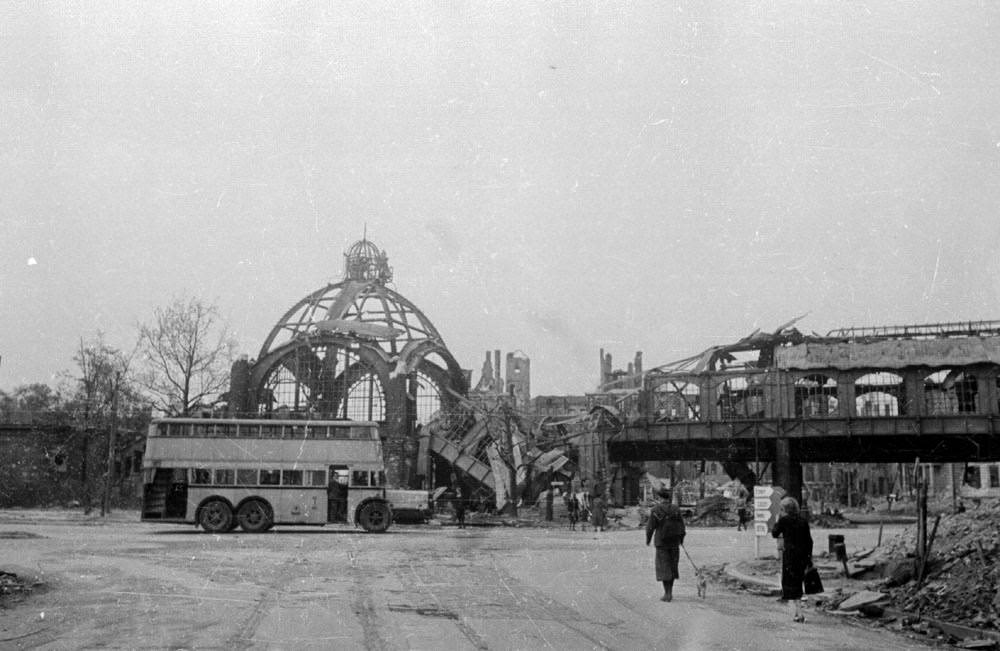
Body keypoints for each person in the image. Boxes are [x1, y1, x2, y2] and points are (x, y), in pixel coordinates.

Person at [771, 496, 813, 622]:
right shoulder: (803, 521)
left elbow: (774, 533)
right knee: (798, 582)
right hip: (802, 556)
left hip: (790, 556)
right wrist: (809, 557)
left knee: (792, 584)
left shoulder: (784, 520)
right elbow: (809, 541)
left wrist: (778, 520)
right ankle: (797, 612)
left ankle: (799, 614)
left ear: (785, 509)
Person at [645, 487, 686, 602]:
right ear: (669, 498)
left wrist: (648, 539)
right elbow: (682, 527)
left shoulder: (656, 509)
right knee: (672, 567)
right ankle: (670, 592)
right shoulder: (676, 509)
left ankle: (666, 593)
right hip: (674, 542)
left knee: (664, 568)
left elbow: (650, 527)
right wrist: (681, 540)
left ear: (659, 498)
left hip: (661, 542)